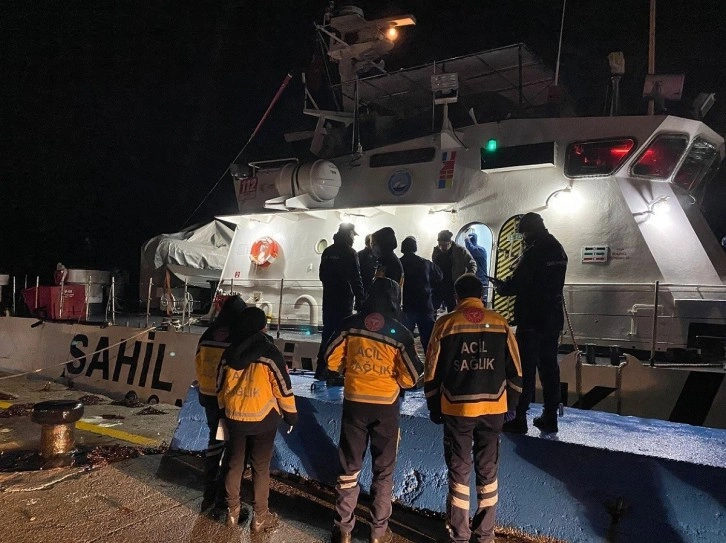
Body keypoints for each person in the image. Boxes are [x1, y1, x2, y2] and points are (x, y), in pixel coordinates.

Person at [424, 273, 522, 543]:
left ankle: (459, 534)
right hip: (494, 410)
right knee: (488, 472)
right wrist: (512, 404)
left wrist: (433, 404)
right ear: (481, 295)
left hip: (457, 411)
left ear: (456, 296)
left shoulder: (445, 324)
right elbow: (516, 369)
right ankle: (485, 534)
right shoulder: (500, 323)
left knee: (459, 472)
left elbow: (431, 370)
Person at [324, 278, 423, 543]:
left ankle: (343, 529)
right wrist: (394, 379)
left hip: (355, 404)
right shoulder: (399, 333)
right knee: (383, 471)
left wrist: (349, 370)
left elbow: (331, 360)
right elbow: (412, 377)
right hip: (385, 409)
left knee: (349, 468)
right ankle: (378, 532)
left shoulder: (350, 324)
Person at [217, 306, 298, 531]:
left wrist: (224, 411)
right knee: (260, 468)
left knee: (234, 464)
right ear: (262, 327)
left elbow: (220, 386)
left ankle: (232, 512)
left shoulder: (229, 352)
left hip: (235, 417)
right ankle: (260, 517)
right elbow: (283, 388)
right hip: (263, 419)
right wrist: (291, 416)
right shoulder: (270, 353)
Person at [491, 212, 568, 433]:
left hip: (532, 319)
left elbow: (517, 284)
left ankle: (519, 417)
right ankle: (550, 416)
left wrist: (501, 287)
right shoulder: (558, 249)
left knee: (524, 369)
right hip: (552, 318)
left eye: (524, 233)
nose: (523, 238)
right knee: (549, 368)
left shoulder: (534, 251)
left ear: (530, 231)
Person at [194, 294, 246, 513]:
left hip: (207, 396)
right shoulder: (236, 336)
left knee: (214, 441)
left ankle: (209, 490)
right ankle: (221, 498)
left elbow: (198, 360)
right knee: (229, 447)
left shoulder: (208, 333)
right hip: (225, 400)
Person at [316, 223, 365, 378]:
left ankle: (321, 369)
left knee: (327, 333)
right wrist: (360, 299)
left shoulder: (327, 251)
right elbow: (356, 278)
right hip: (344, 301)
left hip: (328, 299)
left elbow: (322, 275)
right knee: (341, 336)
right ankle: (334, 372)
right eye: (353, 235)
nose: (354, 238)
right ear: (349, 234)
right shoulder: (350, 252)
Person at [399, 236, 443, 352]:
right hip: (425, 305)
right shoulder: (425, 263)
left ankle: (406, 360)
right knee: (428, 339)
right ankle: (429, 361)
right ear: (415, 248)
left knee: (405, 339)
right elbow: (439, 276)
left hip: (408, 305)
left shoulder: (399, 263)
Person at [432, 230, 476, 312]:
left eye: (444, 245)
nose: (441, 247)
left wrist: (468, 277)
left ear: (450, 242)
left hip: (453, 285)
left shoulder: (460, 251)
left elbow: (472, 264)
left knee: (453, 310)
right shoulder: (436, 251)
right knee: (432, 309)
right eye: (440, 245)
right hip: (439, 285)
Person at [464, 232, 489, 301]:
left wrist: (467, 240)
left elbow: (471, 250)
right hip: (473, 280)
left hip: (481, 280)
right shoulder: (468, 252)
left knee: (481, 300)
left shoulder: (481, 250)